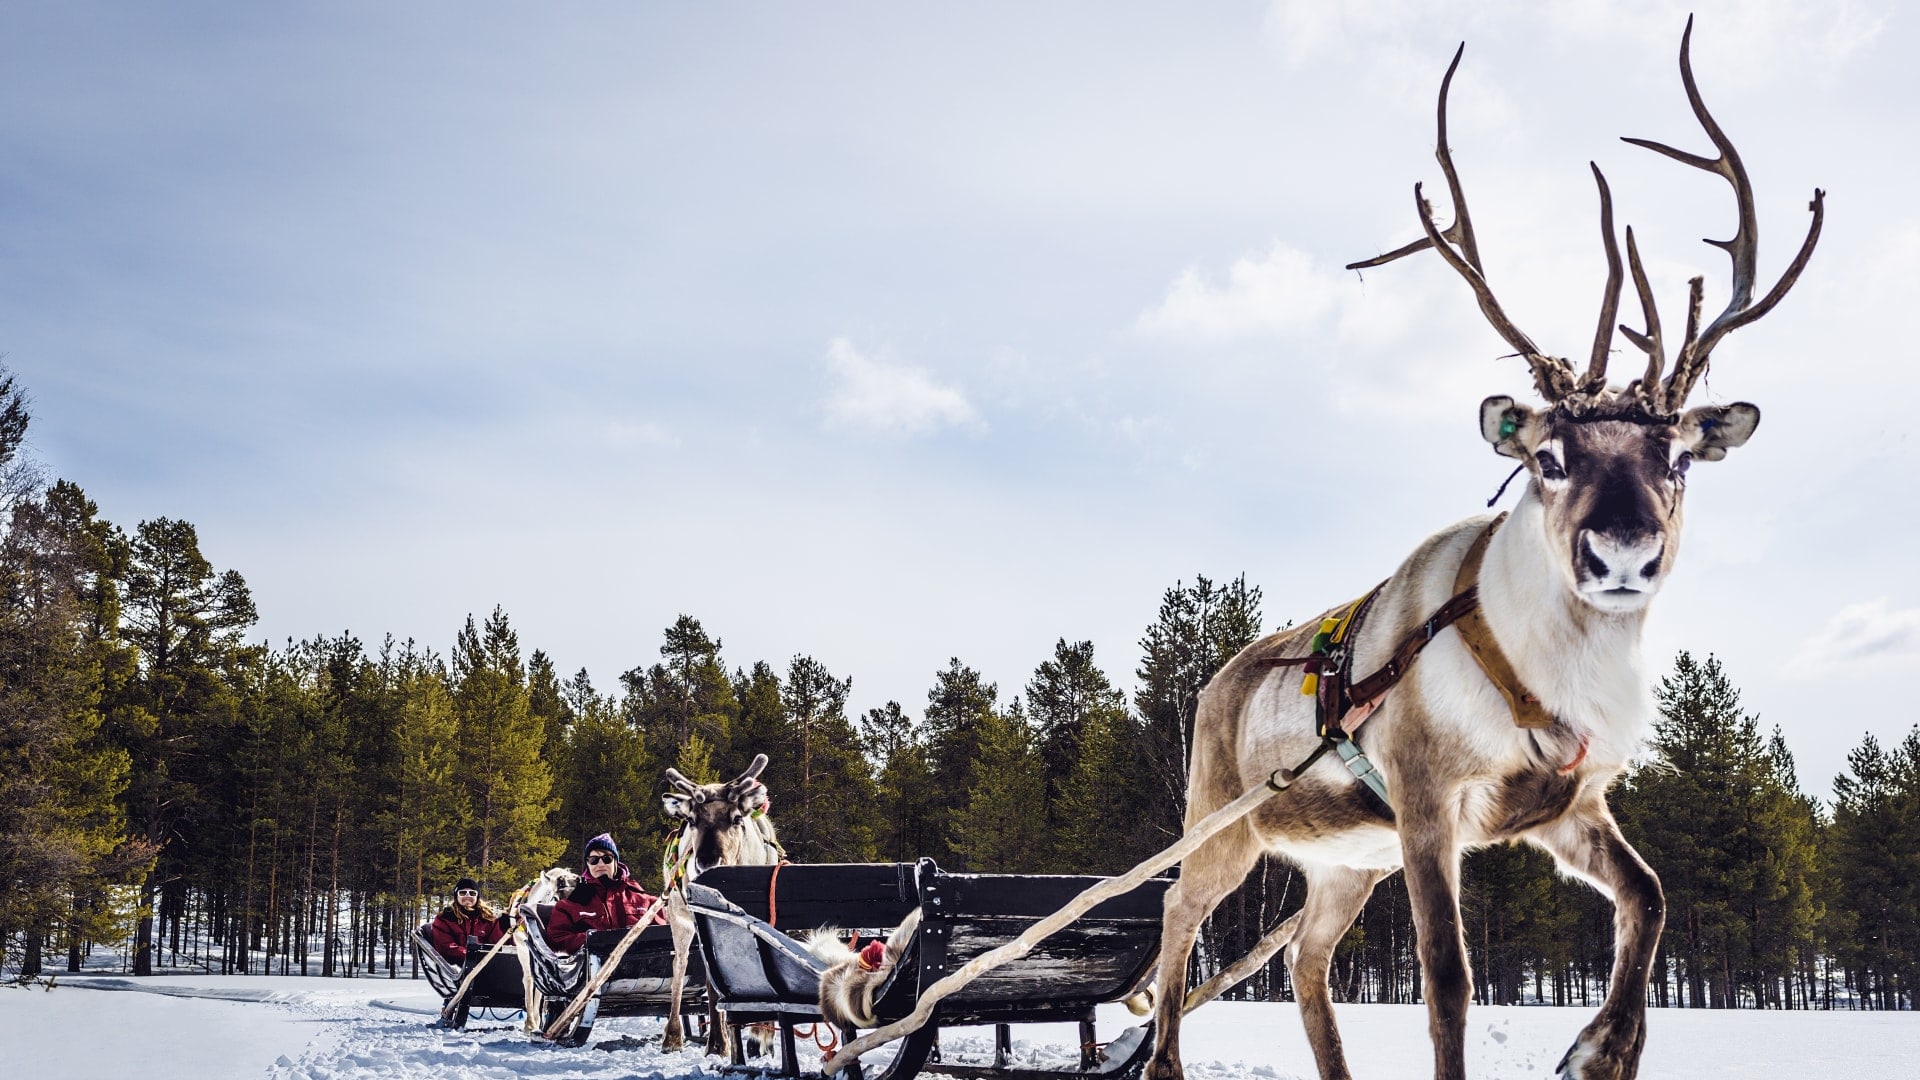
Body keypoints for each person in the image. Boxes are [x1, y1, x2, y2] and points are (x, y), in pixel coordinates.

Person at [545, 833, 665, 952]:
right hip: (594, 968)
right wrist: (594, 940)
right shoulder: (569, 904)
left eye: (607, 859)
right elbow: (556, 941)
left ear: (615, 862)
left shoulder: (646, 901)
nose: (600, 864)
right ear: (587, 864)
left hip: (642, 967)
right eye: (594, 860)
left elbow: (665, 937)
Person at [428, 876, 508, 964]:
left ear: (477, 896)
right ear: (456, 896)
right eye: (462, 893)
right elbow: (445, 947)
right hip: (456, 965)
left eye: (472, 893)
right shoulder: (445, 919)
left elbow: (497, 943)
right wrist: (471, 955)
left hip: (485, 966)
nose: (467, 896)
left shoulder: (487, 919)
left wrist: (506, 928)